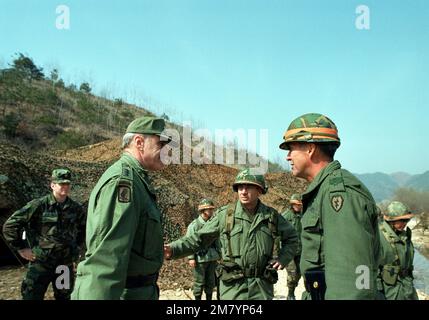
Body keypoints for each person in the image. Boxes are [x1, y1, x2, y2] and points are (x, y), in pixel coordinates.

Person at [279, 113, 380, 300]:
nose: (287, 157)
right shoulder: (323, 190)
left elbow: (355, 281)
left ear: (310, 148)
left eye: (291, 149)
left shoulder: (339, 194)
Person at [72, 116, 174, 300]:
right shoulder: (123, 182)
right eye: (161, 144)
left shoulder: (137, 180)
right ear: (139, 142)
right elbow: (105, 260)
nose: (167, 151)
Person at [164, 168, 298, 300]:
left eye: (249, 187)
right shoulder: (225, 215)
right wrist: (173, 249)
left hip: (261, 288)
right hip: (233, 289)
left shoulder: (271, 216)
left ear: (259, 190)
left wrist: (283, 258)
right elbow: (198, 239)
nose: (243, 192)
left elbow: (292, 237)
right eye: (240, 187)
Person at [2, 168, 85, 300]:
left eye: (67, 184)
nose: (65, 187)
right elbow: (10, 225)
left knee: (64, 297)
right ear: (52, 185)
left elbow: (83, 229)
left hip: (63, 266)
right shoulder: (38, 205)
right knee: (32, 296)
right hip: (41, 263)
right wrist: (21, 248)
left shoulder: (76, 209)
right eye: (61, 183)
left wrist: (75, 250)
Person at [377, 201, 418, 300]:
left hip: (408, 289)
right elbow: (373, 268)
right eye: (402, 220)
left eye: (407, 220)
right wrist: (379, 293)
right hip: (390, 293)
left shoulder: (404, 236)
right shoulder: (379, 237)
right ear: (391, 220)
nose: (405, 223)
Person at [186, 199, 221, 300]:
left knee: (211, 282)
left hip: (212, 257)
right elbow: (189, 242)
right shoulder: (194, 225)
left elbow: (216, 240)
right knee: (199, 282)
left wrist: (220, 254)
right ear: (203, 210)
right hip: (199, 258)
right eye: (208, 209)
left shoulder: (212, 223)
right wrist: (191, 258)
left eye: (211, 209)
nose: (211, 211)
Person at [281, 193, 303, 300]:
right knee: (293, 273)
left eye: (299, 204)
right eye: (296, 204)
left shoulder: (304, 216)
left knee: (299, 273)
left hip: (300, 251)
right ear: (292, 204)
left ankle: (292, 289)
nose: (298, 206)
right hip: (288, 251)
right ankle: (290, 294)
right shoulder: (285, 217)